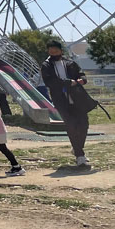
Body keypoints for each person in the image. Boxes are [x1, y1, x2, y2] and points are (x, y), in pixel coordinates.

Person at [40, 40, 99, 168]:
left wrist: (82, 80)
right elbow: (49, 81)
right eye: (51, 51)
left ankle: (77, 148)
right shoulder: (46, 66)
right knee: (71, 125)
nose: (53, 53)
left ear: (61, 51)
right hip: (61, 100)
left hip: (77, 97)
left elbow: (81, 74)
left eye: (55, 51)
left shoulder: (70, 63)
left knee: (83, 124)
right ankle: (80, 156)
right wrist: (67, 82)